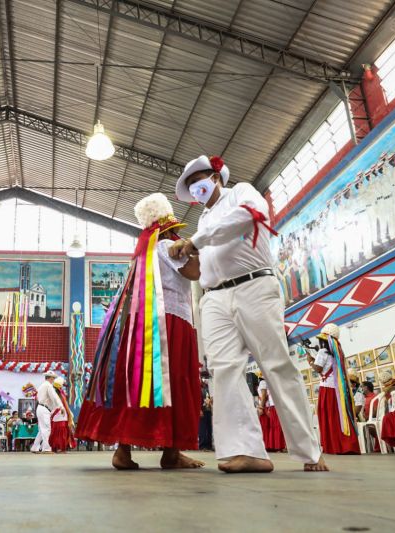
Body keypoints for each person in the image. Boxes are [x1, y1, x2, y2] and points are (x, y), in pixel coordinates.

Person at [170, 155, 327, 473]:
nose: (195, 187)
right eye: (189, 184)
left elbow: (252, 216)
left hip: (254, 287)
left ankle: (309, 451)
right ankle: (245, 450)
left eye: (199, 178)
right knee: (224, 370)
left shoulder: (241, 192)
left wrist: (195, 241)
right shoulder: (202, 221)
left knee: (277, 365)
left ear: (216, 177)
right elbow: (205, 262)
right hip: (213, 297)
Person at [77, 193, 204, 470]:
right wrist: (195, 248)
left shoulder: (142, 254)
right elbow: (195, 273)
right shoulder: (168, 246)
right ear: (168, 226)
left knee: (136, 383)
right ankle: (171, 451)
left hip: (141, 326)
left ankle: (123, 450)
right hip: (169, 322)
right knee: (173, 380)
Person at [308, 324, 360, 455]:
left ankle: (332, 445)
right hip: (337, 390)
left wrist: (310, 361)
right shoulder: (337, 353)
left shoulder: (322, 352)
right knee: (337, 416)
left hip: (327, 389)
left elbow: (318, 369)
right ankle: (345, 445)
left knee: (328, 416)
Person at [32, 371, 59, 454]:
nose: (53, 380)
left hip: (41, 408)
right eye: (53, 378)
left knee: (42, 430)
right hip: (44, 409)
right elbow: (53, 398)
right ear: (50, 378)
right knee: (46, 429)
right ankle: (46, 448)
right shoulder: (48, 386)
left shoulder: (42, 386)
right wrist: (59, 406)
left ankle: (35, 447)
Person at [259, 376, 286, 452]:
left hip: (272, 405)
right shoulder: (263, 382)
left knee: (274, 426)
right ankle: (277, 446)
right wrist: (262, 407)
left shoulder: (265, 382)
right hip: (271, 405)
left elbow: (264, 396)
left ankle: (275, 446)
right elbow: (264, 396)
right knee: (275, 426)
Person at [49, 377, 75, 453]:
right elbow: (66, 407)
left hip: (55, 416)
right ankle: (61, 448)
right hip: (61, 416)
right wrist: (70, 416)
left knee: (55, 432)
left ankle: (56, 448)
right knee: (62, 432)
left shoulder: (53, 395)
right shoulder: (61, 395)